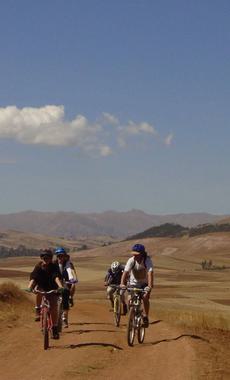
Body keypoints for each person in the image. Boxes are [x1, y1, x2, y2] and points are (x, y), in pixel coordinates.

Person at [27, 248, 64, 339]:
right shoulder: (38, 267)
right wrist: (29, 286)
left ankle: (54, 327)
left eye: (48, 258)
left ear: (51, 258)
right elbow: (33, 277)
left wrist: (60, 287)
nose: (45, 259)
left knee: (54, 307)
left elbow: (56, 277)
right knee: (39, 290)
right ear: (41, 258)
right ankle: (37, 309)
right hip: (42, 287)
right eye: (44, 257)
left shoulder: (54, 267)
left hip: (52, 288)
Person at [120, 243, 154, 327]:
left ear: (142, 254)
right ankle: (131, 316)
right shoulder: (131, 260)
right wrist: (122, 283)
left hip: (144, 284)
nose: (135, 256)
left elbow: (150, 273)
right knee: (129, 299)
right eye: (133, 254)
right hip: (133, 283)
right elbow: (125, 272)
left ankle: (145, 316)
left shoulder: (147, 260)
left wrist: (149, 286)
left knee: (145, 297)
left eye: (137, 255)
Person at [54, 247, 78, 328]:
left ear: (65, 256)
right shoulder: (54, 264)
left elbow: (70, 271)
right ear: (56, 256)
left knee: (66, 295)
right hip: (55, 282)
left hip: (66, 281)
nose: (60, 258)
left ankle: (64, 318)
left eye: (62, 256)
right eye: (58, 256)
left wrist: (73, 279)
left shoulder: (68, 264)